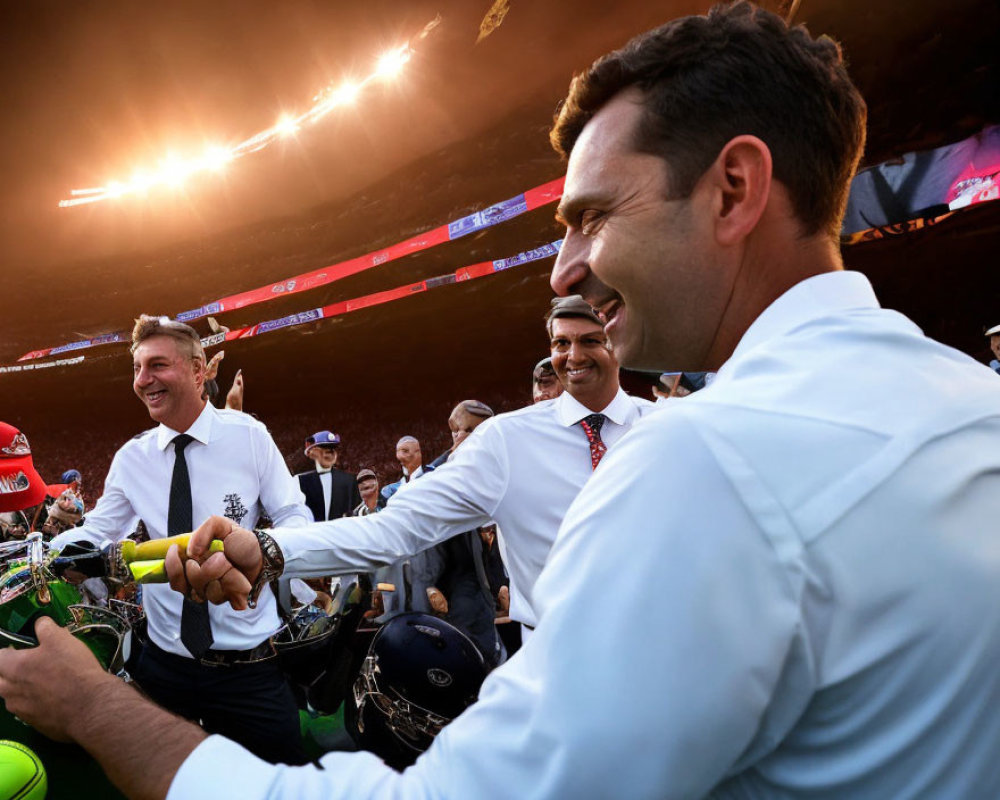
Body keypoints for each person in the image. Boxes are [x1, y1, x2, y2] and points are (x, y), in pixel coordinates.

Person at [7, 4, 1000, 797]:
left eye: (592, 215)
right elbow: (398, 526)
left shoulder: (702, 457)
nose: (566, 264)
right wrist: (268, 552)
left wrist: (94, 708)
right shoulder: (966, 396)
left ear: (735, 190)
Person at [48, 314, 312, 766]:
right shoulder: (132, 457)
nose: (143, 380)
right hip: (163, 664)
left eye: (157, 365)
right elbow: (98, 531)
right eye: (136, 368)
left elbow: (293, 514)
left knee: (280, 784)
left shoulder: (249, 436)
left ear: (197, 369)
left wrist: (263, 552)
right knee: (159, 781)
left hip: (248, 668)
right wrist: (52, 546)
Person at [296, 430, 361, 522]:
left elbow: (356, 511)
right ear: (311, 452)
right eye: (324, 447)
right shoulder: (299, 481)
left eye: (333, 448)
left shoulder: (350, 480)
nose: (330, 451)